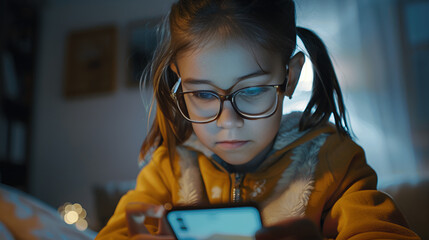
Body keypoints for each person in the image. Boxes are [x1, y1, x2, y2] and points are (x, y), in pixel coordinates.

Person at [96, 0, 421, 239]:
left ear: (289, 76)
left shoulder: (336, 162)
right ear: (178, 79)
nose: (228, 121)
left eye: (251, 90)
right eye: (204, 95)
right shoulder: (166, 171)